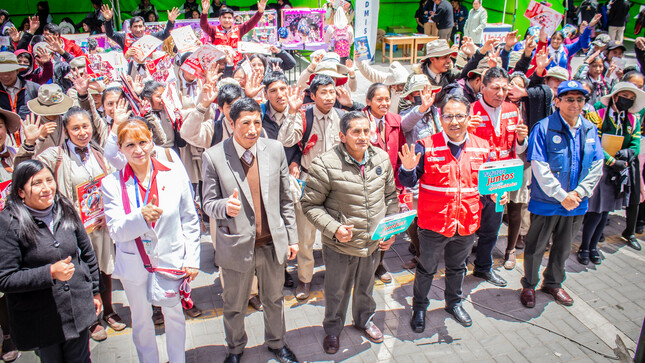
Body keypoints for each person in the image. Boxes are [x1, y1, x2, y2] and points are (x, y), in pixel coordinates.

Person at [201, 98, 299, 363]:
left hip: (271, 243)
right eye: (246, 123)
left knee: (275, 299)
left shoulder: (275, 149)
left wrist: (292, 238)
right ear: (231, 123)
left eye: (257, 122)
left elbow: (285, 198)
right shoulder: (214, 156)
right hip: (236, 245)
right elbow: (208, 203)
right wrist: (225, 206)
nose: (253, 129)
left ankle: (277, 343)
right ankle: (234, 348)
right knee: (234, 305)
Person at [101, 119, 201, 363]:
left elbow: (189, 218)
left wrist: (192, 259)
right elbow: (116, 231)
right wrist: (139, 217)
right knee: (141, 319)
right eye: (130, 145)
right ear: (121, 149)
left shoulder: (173, 173)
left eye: (143, 142)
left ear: (151, 141)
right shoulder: (111, 183)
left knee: (174, 315)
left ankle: (178, 359)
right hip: (134, 265)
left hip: (171, 259)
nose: (138, 150)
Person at [301, 111, 398, 354]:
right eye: (356, 132)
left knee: (366, 288)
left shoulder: (382, 159)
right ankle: (333, 330)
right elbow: (309, 205)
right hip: (339, 246)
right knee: (336, 292)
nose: (363, 136)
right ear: (342, 136)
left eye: (366, 131)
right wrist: (334, 228)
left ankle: (364, 320)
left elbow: (391, 197)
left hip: (373, 243)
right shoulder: (325, 164)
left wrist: (391, 229)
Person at [399, 94, 494, 330]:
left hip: (466, 222)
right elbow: (407, 179)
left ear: (468, 118)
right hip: (434, 224)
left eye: (459, 116)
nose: (454, 121)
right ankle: (419, 307)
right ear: (440, 119)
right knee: (426, 268)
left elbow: (489, 186)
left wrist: (497, 193)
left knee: (458, 267)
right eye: (448, 116)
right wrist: (407, 169)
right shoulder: (425, 146)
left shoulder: (483, 148)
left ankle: (454, 303)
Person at [0, 159, 101, 362]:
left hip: (77, 307)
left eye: (49, 180)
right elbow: (6, 278)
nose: (47, 188)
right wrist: (49, 273)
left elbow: (87, 254)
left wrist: (95, 291)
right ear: (20, 191)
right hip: (41, 318)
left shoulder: (65, 208)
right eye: (37, 183)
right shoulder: (8, 223)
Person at [520, 80, 604, 308]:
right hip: (547, 202)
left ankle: (553, 283)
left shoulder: (589, 129)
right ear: (557, 102)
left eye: (580, 99)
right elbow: (539, 166)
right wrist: (561, 195)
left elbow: (597, 164)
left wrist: (578, 193)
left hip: (576, 203)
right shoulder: (543, 127)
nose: (575, 104)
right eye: (569, 99)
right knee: (535, 247)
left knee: (563, 247)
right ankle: (529, 284)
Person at [469, 67, 528, 288]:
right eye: (495, 88)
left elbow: (519, 150)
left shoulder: (513, 109)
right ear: (482, 87)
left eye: (504, 88)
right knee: (468, 230)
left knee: (492, 230)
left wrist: (522, 140)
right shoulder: (470, 111)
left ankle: (483, 268)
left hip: (500, 182)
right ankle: (460, 266)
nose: (501, 93)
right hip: (474, 182)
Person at [580, 82, 645, 262]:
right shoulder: (599, 115)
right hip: (599, 168)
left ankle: (593, 247)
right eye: (625, 96)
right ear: (615, 96)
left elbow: (636, 143)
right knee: (595, 211)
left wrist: (629, 153)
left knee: (606, 211)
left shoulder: (633, 120)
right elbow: (595, 142)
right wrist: (611, 160)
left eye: (631, 99)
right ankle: (584, 247)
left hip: (619, 170)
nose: (628, 101)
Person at [200, 0, 267, 65]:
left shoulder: (239, 29)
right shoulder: (214, 30)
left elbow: (251, 23)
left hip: (236, 64)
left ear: (233, 19)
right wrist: (204, 12)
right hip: (219, 65)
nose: (227, 20)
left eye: (229, 18)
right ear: (219, 19)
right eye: (224, 17)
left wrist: (260, 12)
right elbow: (203, 25)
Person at [101, 4, 179, 58]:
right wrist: (108, 20)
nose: (138, 29)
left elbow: (166, 34)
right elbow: (110, 34)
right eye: (135, 26)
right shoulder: (124, 38)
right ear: (130, 28)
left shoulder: (151, 37)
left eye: (140, 26)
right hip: (131, 72)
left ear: (144, 27)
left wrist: (171, 22)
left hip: (149, 72)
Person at [0, 52, 39, 118]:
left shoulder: (33, 89)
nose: (5, 76)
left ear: (17, 71)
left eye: (9, 72)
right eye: (1, 72)